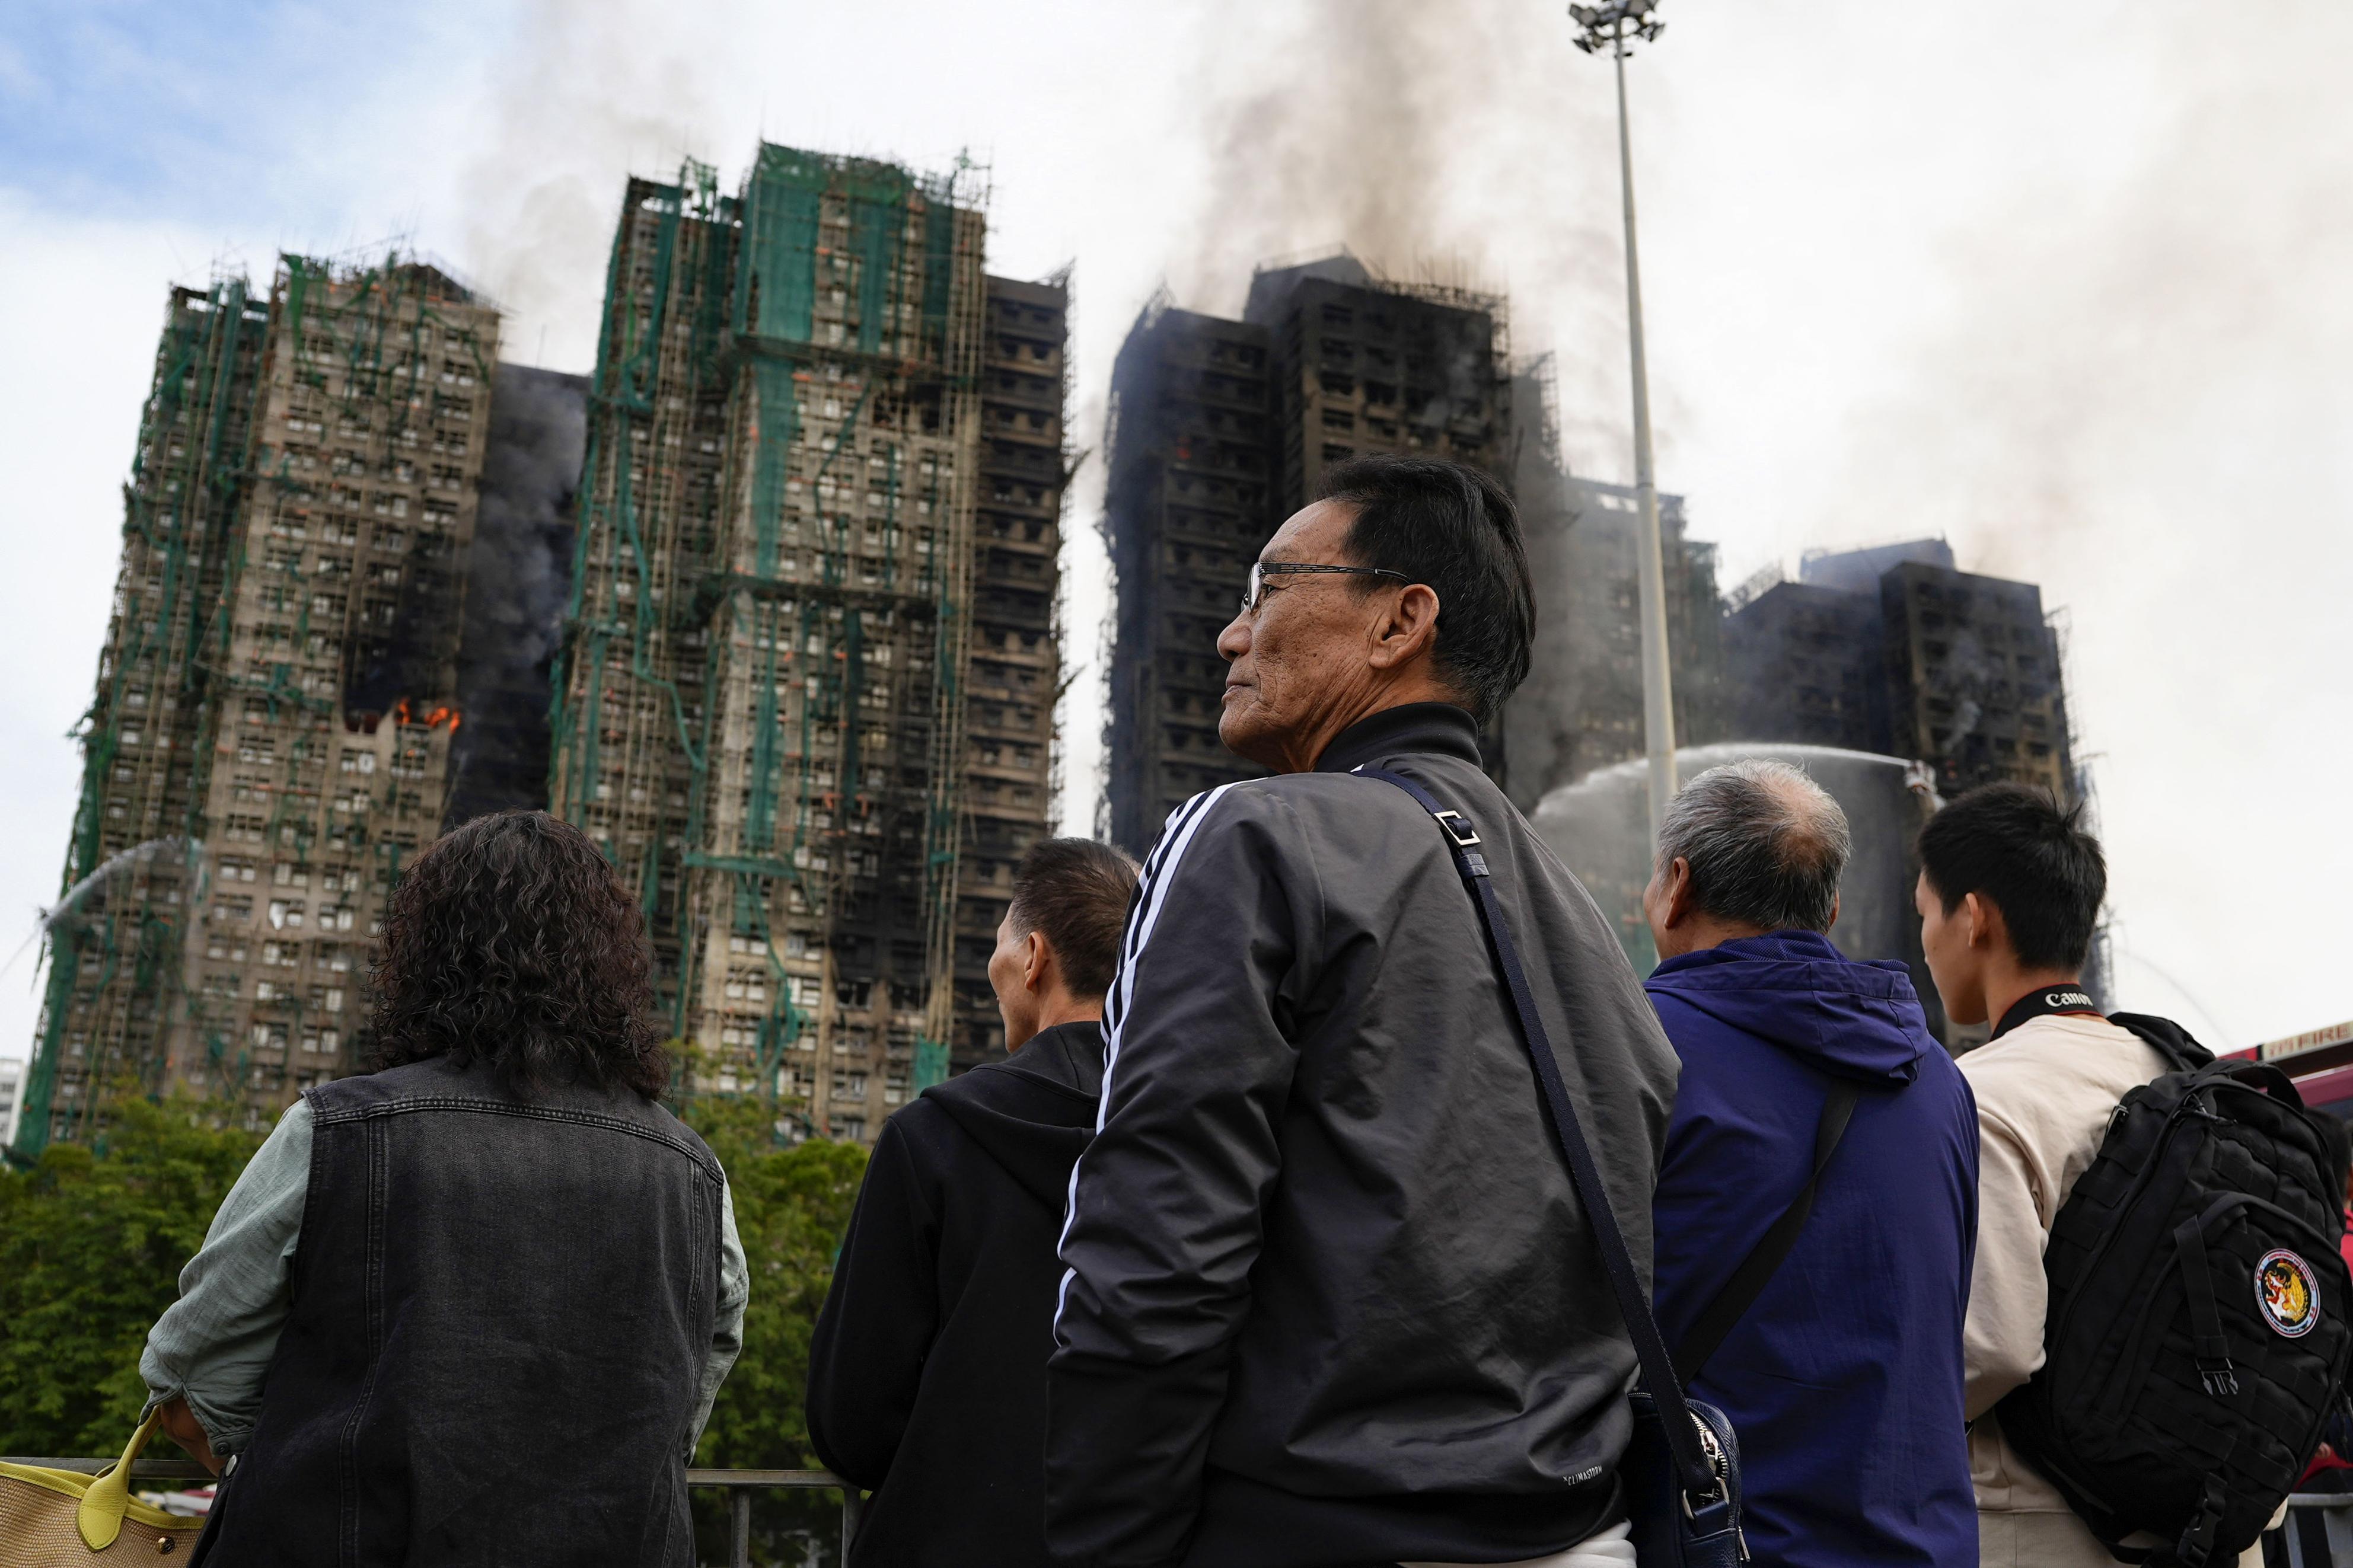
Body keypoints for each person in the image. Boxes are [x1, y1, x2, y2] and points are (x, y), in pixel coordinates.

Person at [1049, 455, 1679, 1568]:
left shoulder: (1250, 837)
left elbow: (1153, 1256)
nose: (1229, 637)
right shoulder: (1586, 926)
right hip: (1585, 1536)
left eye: (1266, 590)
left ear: (1400, 622)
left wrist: (1103, 1545)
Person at [141, 810, 747, 1566]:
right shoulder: (694, 1172)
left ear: (423, 953)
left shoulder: (335, 1129)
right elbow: (692, 1380)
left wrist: (303, 1460)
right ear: (612, 962)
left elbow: (193, 1375)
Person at [1916, 783, 2268, 1568]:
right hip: (2216, 1526)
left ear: (1974, 918)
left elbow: (1991, 1352)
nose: (1927, 941)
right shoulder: (2183, 1073)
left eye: (1927, 914)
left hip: (2052, 1533)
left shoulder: (1982, 1094)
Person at [1640, 758, 1979, 1567]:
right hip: (1925, 1547)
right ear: (1828, 909)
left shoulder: (1639, 1047)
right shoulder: (1942, 1082)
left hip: (1725, 1545)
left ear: (1677, 885)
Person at [808, 835, 1140, 1566]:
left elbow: (850, 1416)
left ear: (1032, 956)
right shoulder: (1203, 1136)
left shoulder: (932, 1136)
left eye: (998, 945)